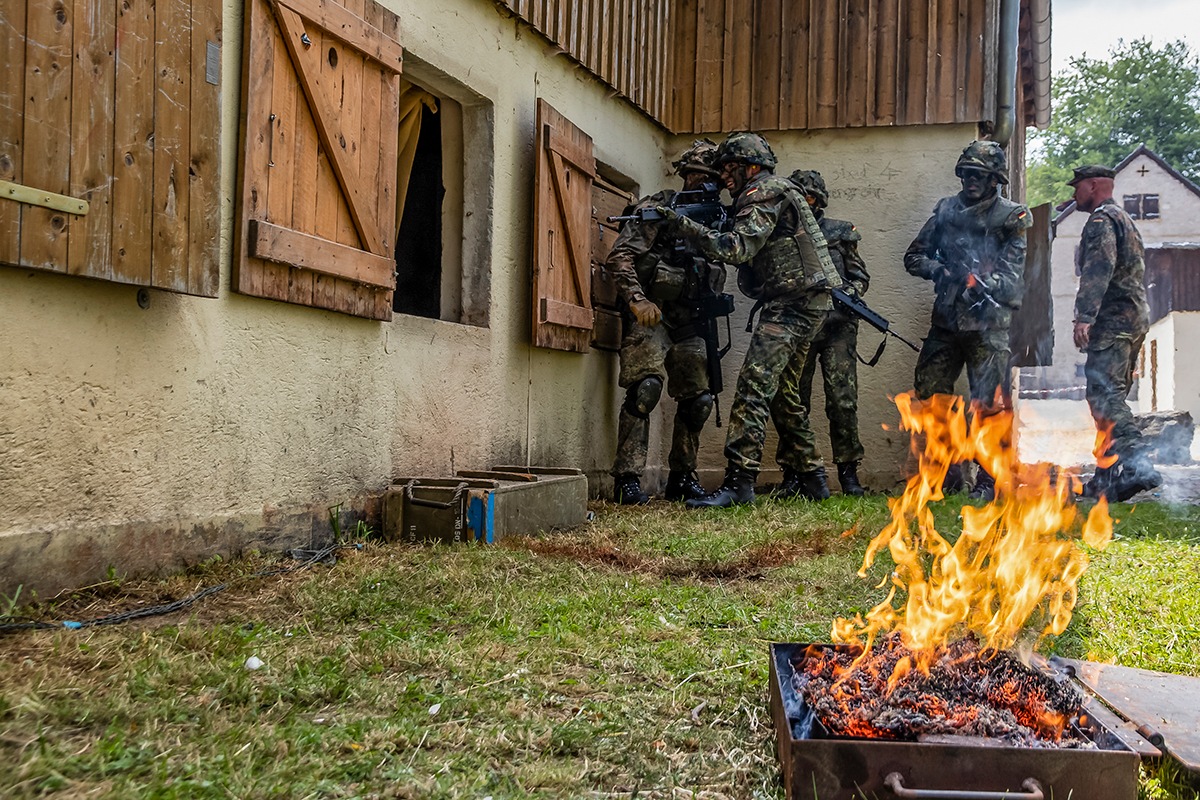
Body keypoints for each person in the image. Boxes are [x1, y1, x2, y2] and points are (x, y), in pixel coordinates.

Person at [658, 132, 841, 508]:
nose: (724, 176)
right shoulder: (774, 190)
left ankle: (739, 483)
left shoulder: (764, 192)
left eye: (729, 168)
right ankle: (813, 479)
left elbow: (737, 248)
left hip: (792, 305)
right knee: (784, 397)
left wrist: (684, 226)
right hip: (808, 302)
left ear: (750, 167)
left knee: (752, 389)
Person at [903, 140, 1030, 501]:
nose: (972, 180)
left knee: (988, 404)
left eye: (980, 175)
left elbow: (1012, 277)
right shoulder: (945, 211)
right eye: (967, 174)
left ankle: (989, 478)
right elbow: (914, 256)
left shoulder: (1011, 217)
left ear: (995, 180)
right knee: (931, 394)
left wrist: (981, 283)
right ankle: (950, 469)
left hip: (988, 326)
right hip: (946, 323)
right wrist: (940, 271)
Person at [608, 140, 729, 504]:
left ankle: (682, 476)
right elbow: (621, 256)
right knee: (645, 390)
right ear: (684, 175)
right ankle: (627, 478)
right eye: (695, 175)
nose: (701, 183)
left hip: (692, 317)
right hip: (653, 314)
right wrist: (637, 298)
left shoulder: (724, 218)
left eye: (710, 178)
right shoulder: (659, 209)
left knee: (700, 400)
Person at [769, 170, 871, 498]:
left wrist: (851, 291)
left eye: (809, 197)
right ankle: (794, 472)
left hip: (838, 326)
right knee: (793, 400)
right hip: (799, 325)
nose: (804, 203)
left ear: (820, 201)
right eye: (798, 197)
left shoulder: (840, 233)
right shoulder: (779, 233)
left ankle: (848, 473)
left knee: (842, 399)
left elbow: (860, 276)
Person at [1068, 164, 1163, 502]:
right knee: (1110, 400)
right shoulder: (1125, 219)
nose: (1073, 193)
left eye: (1077, 186)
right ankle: (1105, 477)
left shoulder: (1100, 222)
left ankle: (1138, 464)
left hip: (1113, 321)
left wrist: (1084, 316)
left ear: (1093, 186)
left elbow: (1098, 269)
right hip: (1133, 319)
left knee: (1103, 397)